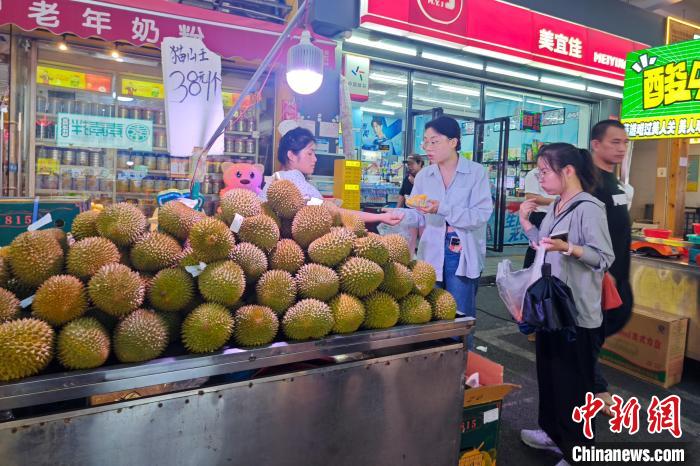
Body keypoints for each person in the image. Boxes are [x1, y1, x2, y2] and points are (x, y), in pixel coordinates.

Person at [518, 143, 614, 466]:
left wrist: (570, 248)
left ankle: (578, 451)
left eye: (544, 171)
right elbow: (544, 246)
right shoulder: (558, 204)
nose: (540, 178)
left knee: (576, 384)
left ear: (568, 171)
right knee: (550, 375)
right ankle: (552, 432)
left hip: (577, 314)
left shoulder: (589, 208)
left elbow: (603, 257)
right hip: (551, 310)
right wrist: (527, 223)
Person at [401, 116, 493, 349]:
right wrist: (397, 215)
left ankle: (463, 370)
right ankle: (435, 367)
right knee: (429, 314)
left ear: (453, 142)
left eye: (434, 141)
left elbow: (480, 215)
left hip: (460, 251)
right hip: (430, 250)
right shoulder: (424, 176)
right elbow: (420, 215)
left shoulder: (476, 173)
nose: (428, 148)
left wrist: (442, 208)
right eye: (425, 142)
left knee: (458, 317)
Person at [262, 126, 403, 226]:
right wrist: (379, 217)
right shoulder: (293, 179)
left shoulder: (277, 178)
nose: (315, 159)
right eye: (310, 153)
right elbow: (334, 213)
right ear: (291, 155)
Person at [589, 119, 634, 415]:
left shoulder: (616, 183)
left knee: (587, 350)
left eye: (624, 143)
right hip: (594, 284)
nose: (621, 148)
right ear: (595, 144)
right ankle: (568, 435)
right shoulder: (588, 184)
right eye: (614, 142)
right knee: (581, 352)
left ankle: (594, 391)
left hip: (615, 284)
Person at [522, 165, 556, 268]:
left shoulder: (556, 172)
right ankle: (529, 277)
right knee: (536, 248)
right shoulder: (534, 174)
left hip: (556, 215)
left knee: (551, 249)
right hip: (540, 216)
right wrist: (556, 202)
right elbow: (531, 197)